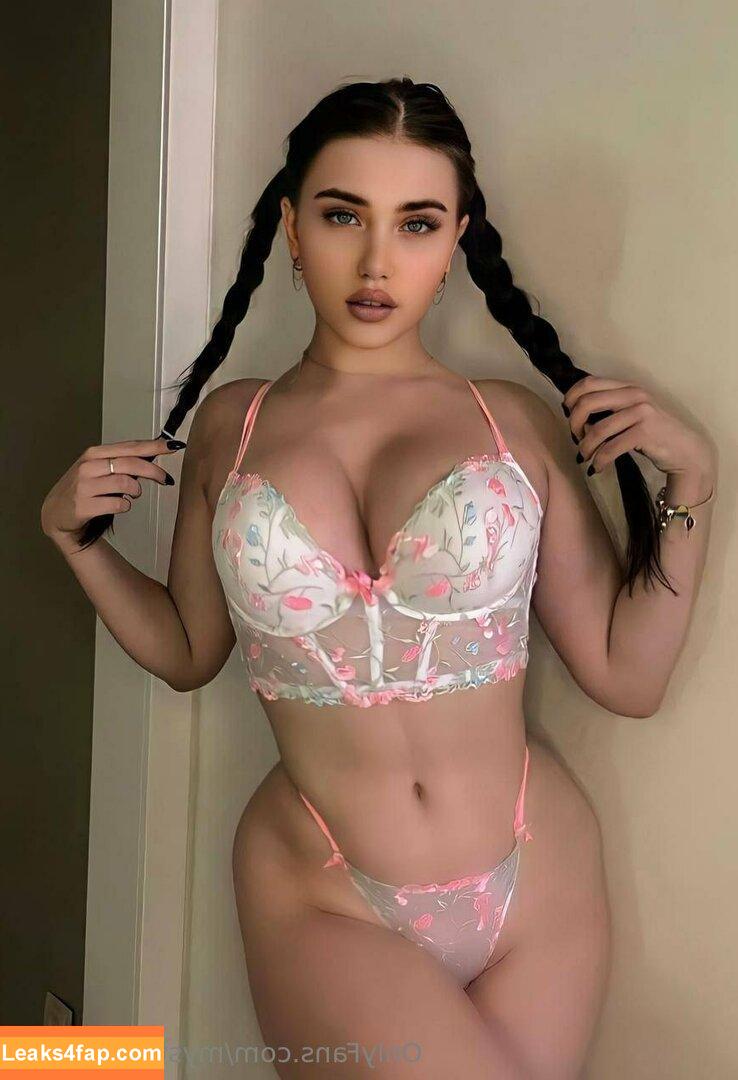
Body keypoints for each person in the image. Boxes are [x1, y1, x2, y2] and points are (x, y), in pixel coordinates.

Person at [41, 78, 717, 1078]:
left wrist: (695, 479)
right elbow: (188, 652)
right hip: (321, 886)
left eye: (417, 223)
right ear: (292, 228)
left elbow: (629, 676)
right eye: (343, 215)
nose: (376, 261)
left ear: (456, 242)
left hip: (538, 877)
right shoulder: (234, 425)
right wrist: (76, 543)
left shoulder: (511, 421)